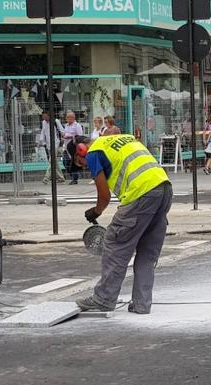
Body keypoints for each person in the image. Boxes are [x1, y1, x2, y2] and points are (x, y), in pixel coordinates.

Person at [72, 134, 172, 314]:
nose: (84, 166)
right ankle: (141, 304)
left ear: (81, 149)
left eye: (80, 162)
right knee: (147, 252)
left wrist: (95, 212)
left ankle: (103, 299)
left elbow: (104, 196)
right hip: (164, 188)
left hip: (141, 194)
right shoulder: (122, 138)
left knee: (114, 244)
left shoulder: (93, 153)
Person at [38, 111, 65, 184]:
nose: (44, 118)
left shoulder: (56, 121)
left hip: (55, 143)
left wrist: (62, 141)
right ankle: (61, 177)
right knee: (54, 162)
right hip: (48, 144)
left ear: (49, 116)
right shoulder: (43, 122)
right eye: (43, 117)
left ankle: (46, 178)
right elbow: (43, 132)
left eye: (46, 116)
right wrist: (42, 142)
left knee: (51, 161)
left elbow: (62, 130)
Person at [62, 111, 84, 184]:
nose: (67, 118)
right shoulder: (66, 125)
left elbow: (80, 136)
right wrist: (64, 135)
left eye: (69, 117)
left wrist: (71, 136)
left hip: (73, 147)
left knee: (72, 163)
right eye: (67, 117)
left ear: (73, 118)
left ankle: (75, 179)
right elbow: (65, 133)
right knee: (65, 162)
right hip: (66, 147)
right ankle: (73, 175)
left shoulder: (77, 125)